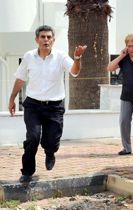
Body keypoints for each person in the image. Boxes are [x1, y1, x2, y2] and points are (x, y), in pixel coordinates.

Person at [8, 25, 87, 184]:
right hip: (33, 105)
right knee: (33, 137)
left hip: (54, 107)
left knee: (51, 142)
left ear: (53, 40)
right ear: (37, 39)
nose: (46, 40)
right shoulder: (29, 56)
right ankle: (27, 171)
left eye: (49, 37)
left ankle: (50, 153)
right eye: (42, 37)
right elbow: (21, 79)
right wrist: (12, 99)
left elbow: (75, 72)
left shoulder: (60, 56)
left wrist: (77, 58)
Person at [107, 34, 133, 155]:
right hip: (127, 95)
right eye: (128, 46)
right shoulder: (124, 59)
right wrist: (121, 55)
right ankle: (127, 148)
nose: (131, 49)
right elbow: (110, 68)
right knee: (124, 121)